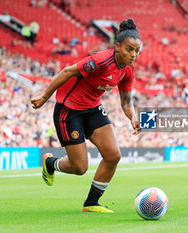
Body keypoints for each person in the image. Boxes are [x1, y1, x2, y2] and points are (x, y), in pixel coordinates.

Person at [30, 19, 141, 213]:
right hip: (69, 110)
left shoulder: (128, 71)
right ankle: (50, 163)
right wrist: (45, 96)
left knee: (113, 155)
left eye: (136, 51)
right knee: (79, 168)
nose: (133, 55)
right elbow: (68, 71)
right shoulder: (101, 60)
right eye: (129, 49)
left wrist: (132, 116)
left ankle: (91, 203)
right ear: (117, 46)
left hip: (93, 109)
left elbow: (125, 102)